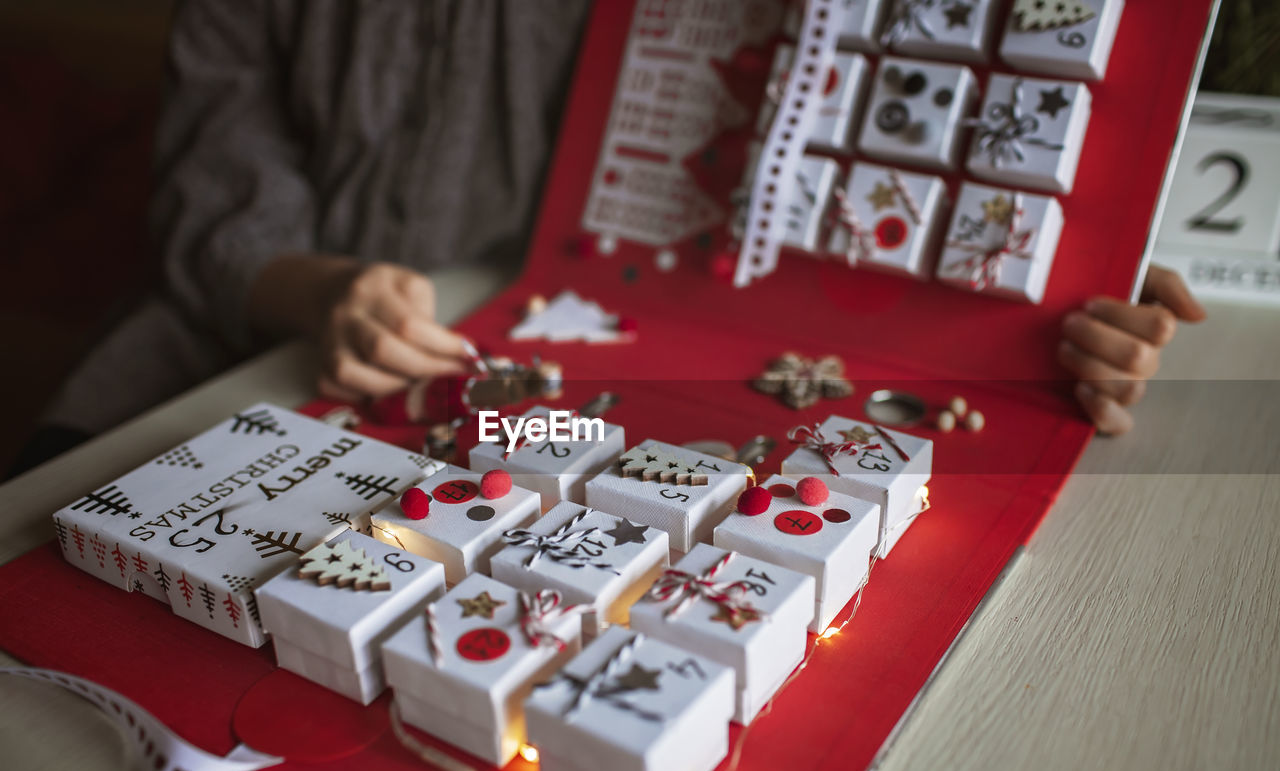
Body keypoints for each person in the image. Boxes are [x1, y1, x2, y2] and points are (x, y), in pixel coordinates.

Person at [28, 0, 1204, 472]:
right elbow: (208, 191)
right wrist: (318, 290)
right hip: (207, 357)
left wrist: (1042, 268)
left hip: (544, 374)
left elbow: (829, 122)